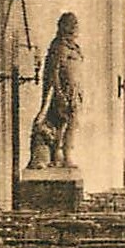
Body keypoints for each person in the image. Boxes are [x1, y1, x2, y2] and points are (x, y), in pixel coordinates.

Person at [28, 11, 83, 169]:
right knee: (63, 123)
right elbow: (53, 72)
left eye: (76, 24)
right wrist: (58, 94)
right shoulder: (58, 46)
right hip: (63, 93)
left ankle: (65, 154)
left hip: (74, 92)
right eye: (71, 24)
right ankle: (62, 154)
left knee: (72, 123)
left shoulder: (75, 48)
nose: (75, 27)